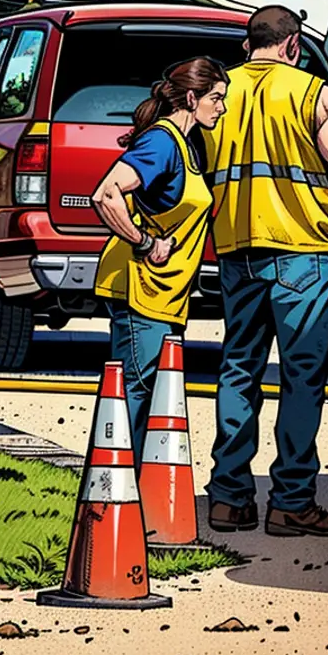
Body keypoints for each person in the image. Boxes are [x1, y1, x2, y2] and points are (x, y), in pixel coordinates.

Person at [203, 5, 328, 538]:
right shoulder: (312, 93)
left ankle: (228, 498)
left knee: (239, 369)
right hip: (304, 253)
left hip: (235, 250)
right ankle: (291, 501)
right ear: (293, 45)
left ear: (249, 45)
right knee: (301, 379)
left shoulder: (220, 96)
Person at [93, 57, 229, 454]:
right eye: (216, 98)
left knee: (139, 398)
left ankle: (123, 500)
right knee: (133, 399)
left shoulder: (184, 146)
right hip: (140, 290)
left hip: (161, 296)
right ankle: (114, 500)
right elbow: (105, 193)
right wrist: (146, 243)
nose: (221, 108)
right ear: (191, 97)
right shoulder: (162, 142)